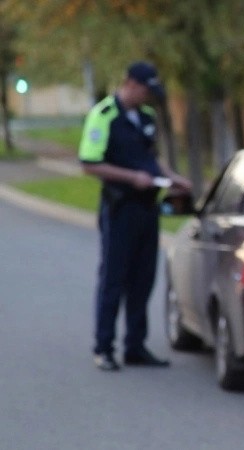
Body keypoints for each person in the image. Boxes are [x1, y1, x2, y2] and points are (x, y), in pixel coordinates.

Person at [78, 61, 192, 371]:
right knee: (114, 278)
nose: (149, 97)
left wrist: (173, 177)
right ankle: (104, 347)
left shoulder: (146, 117)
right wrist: (131, 178)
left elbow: (151, 159)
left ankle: (135, 346)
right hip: (120, 207)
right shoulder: (104, 116)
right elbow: (89, 163)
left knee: (143, 278)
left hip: (147, 206)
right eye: (145, 90)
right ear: (130, 83)